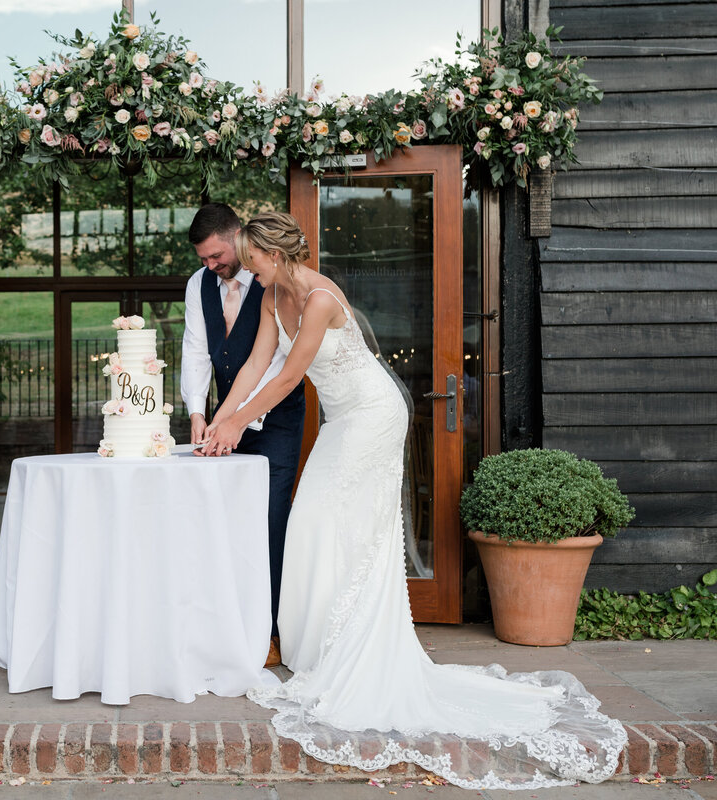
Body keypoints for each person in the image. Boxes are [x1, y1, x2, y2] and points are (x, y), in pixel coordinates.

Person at [199, 211, 625, 789]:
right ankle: (317, 646)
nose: (246, 270)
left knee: (348, 525)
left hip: (373, 416)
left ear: (275, 256)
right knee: (311, 522)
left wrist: (236, 427)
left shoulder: (321, 299)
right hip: (343, 420)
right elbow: (253, 366)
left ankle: (355, 649)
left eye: (251, 260)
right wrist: (218, 421)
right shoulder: (275, 297)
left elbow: (288, 380)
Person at [181, 203, 305, 668]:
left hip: (274, 419)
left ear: (237, 235)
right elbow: (195, 348)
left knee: (270, 522)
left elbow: (270, 365)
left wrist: (236, 422)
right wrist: (199, 411)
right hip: (223, 420)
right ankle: (225, 624)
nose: (210, 266)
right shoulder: (198, 285)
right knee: (222, 521)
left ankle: (271, 632)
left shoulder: (271, 279)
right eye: (204, 259)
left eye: (216, 255)